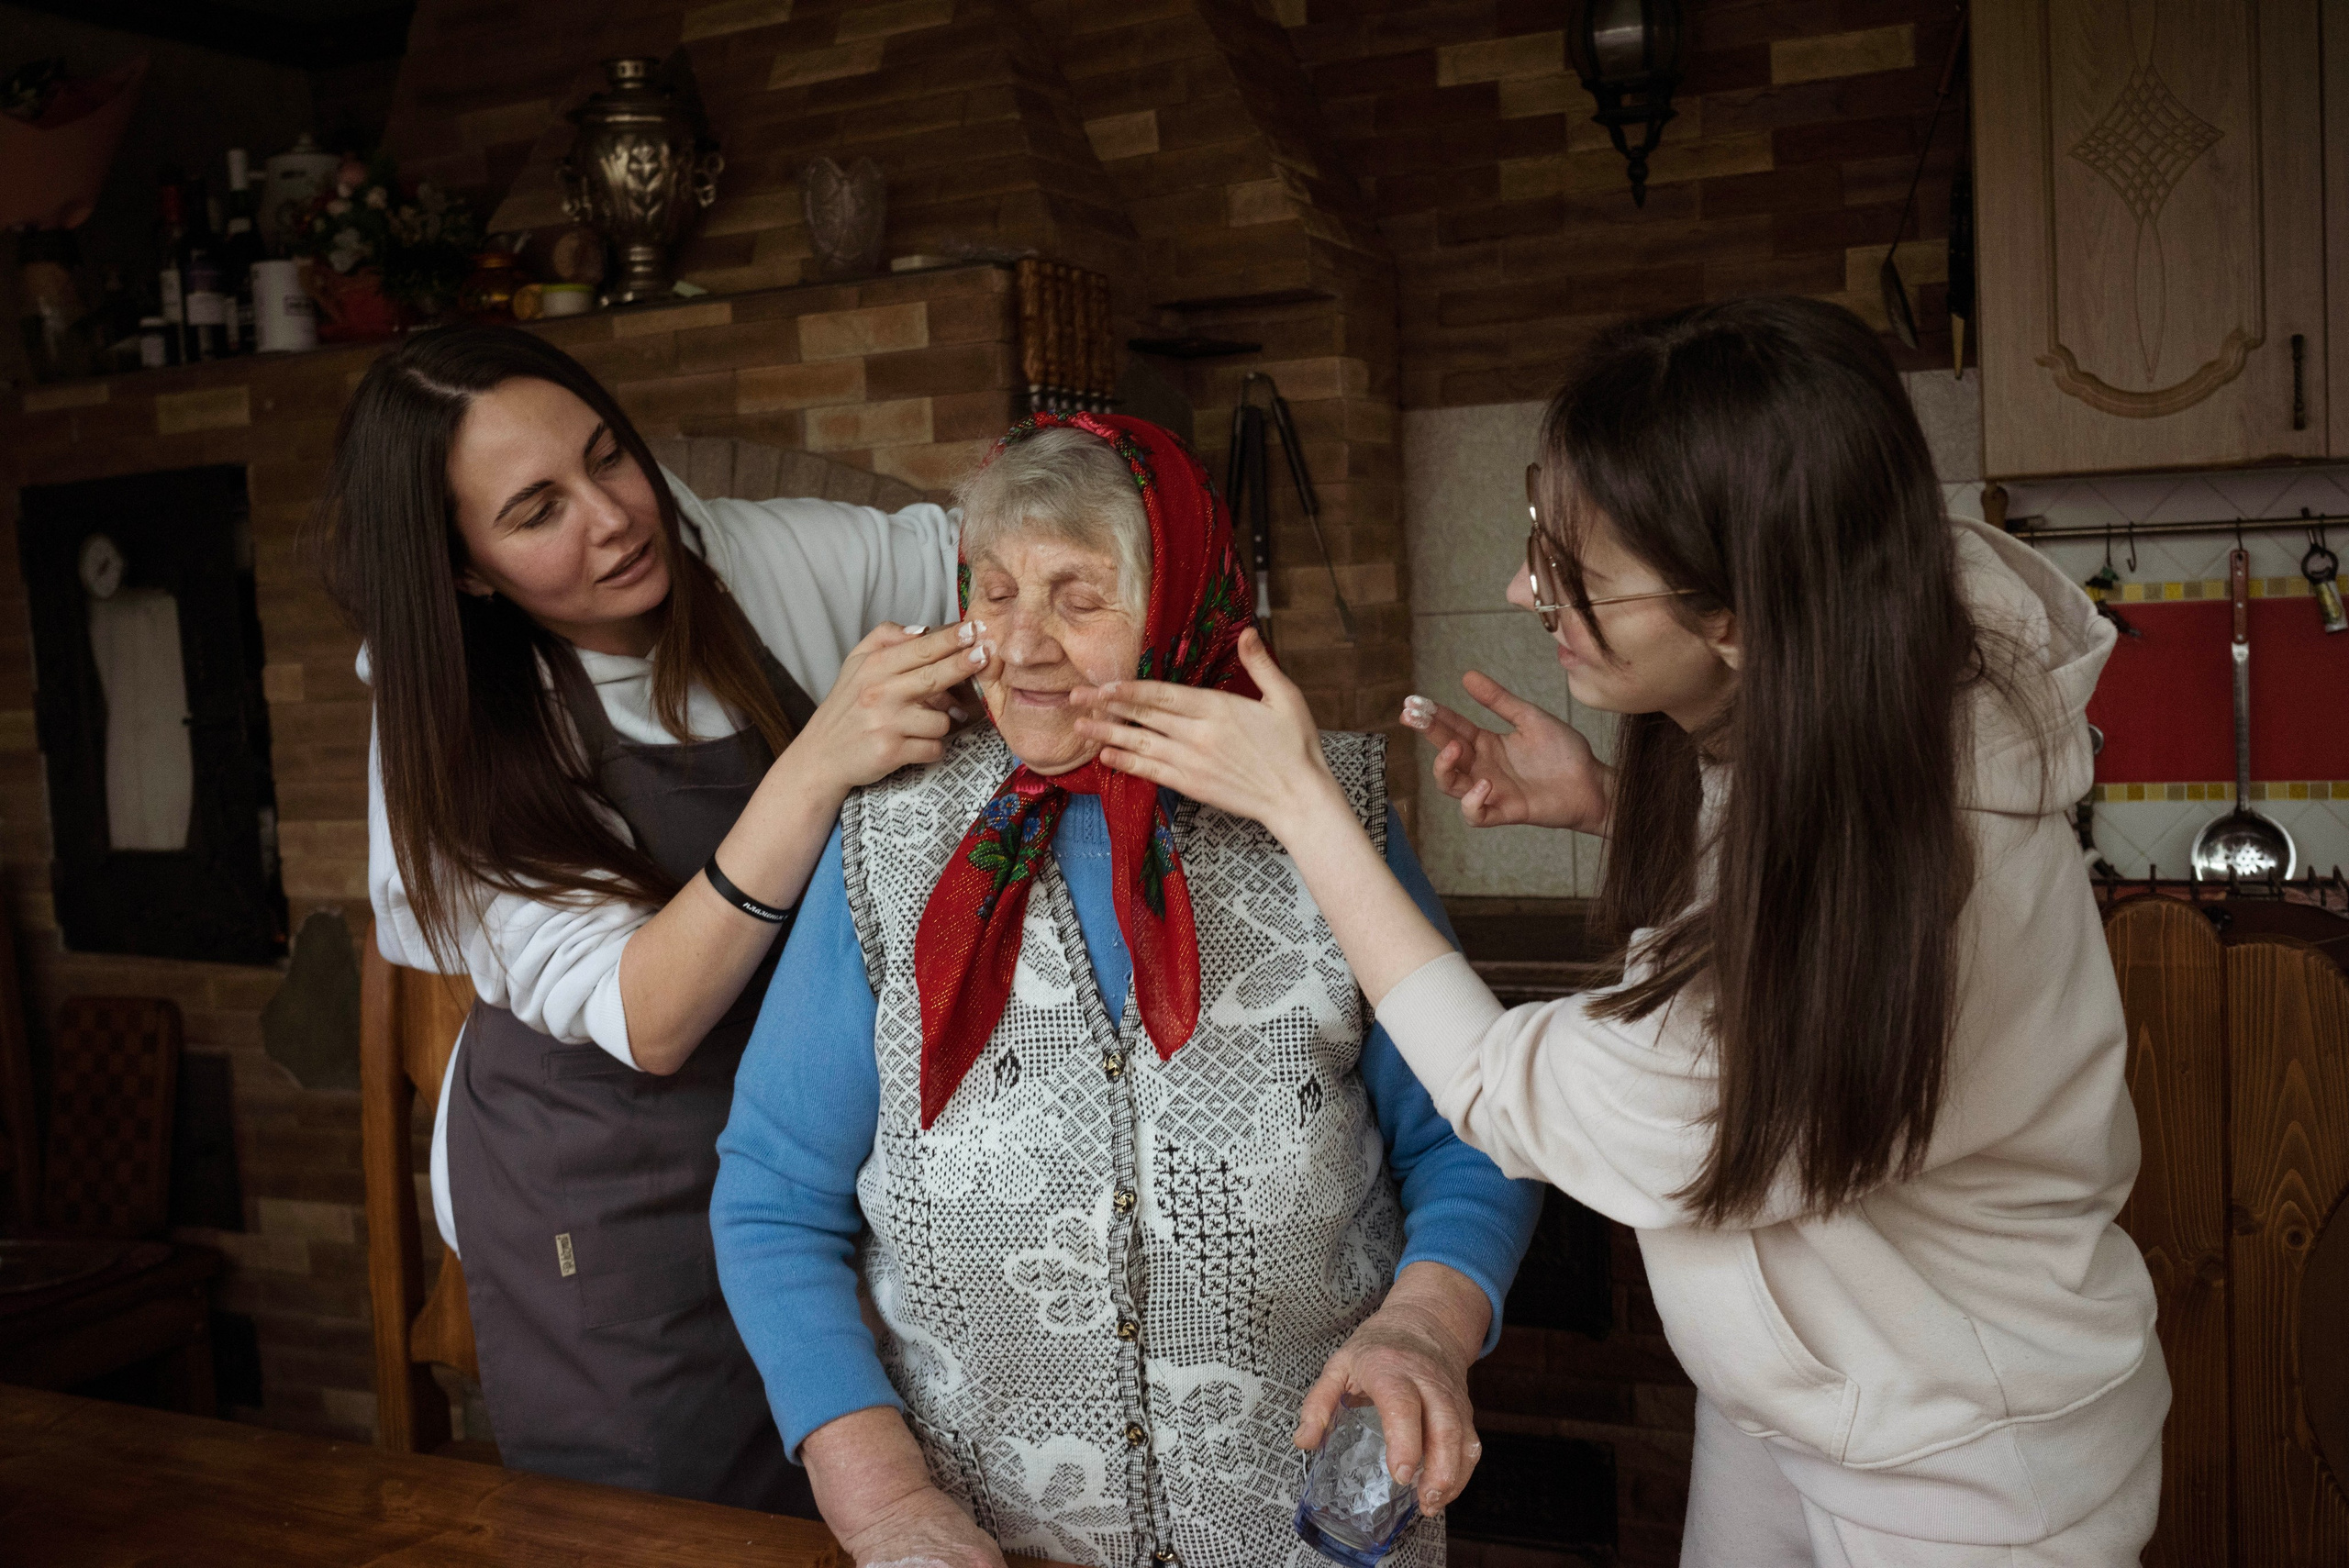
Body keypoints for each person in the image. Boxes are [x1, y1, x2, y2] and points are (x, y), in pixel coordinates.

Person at [1067, 298, 2167, 1566]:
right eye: (1543, 528)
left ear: (1744, 623)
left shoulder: (1909, 884)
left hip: (1968, 1460)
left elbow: (1495, 1089)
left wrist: (1303, 805)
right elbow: (1777, 845)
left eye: (1577, 570)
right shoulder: (1885, 665)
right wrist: (1604, 804)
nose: (1522, 586)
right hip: (1792, 1406)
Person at [711, 414, 1543, 1568]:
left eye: (1079, 596)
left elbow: (1476, 1133)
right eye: (994, 593)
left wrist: (1425, 1328)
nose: (1024, 643)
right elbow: (772, 1198)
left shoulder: (1320, 810)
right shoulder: (887, 842)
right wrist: (885, 1502)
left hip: (1309, 1539)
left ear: (1186, 600)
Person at [319, 325, 976, 1513]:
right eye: (536, 511)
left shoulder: (742, 558)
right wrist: (817, 763)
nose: (615, 516)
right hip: (611, 1204)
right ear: (464, 567)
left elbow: (986, 556)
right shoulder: (450, 726)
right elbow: (651, 1012)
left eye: (607, 456)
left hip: (808, 1154)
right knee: (668, 1524)